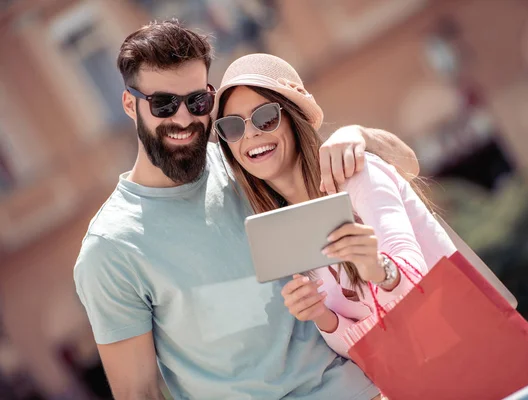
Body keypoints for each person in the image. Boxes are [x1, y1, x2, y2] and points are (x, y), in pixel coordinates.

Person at [73, 20, 420, 400]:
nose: (184, 118)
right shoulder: (109, 250)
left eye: (198, 101)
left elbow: (405, 166)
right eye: (163, 104)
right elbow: (138, 394)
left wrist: (358, 135)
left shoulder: (245, 160)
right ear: (129, 104)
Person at [212, 53, 457, 361]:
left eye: (265, 117)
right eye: (232, 127)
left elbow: (418, 282)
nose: (250, 133)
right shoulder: (283, 234)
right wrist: (321, 318)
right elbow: (360, 353)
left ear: (293, 118)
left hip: (476, 357)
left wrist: (377, 269)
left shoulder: (358, 174)